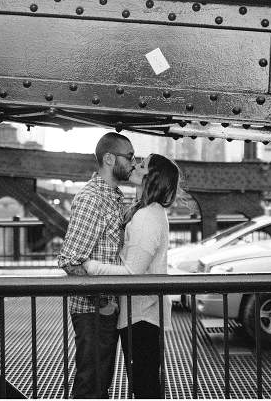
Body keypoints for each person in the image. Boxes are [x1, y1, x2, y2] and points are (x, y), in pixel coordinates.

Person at [82, 153, 181, 399]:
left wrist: (90, 265)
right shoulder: (148, 212)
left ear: (152, 177)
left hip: (141, 317)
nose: (135, 164)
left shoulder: (148, 217)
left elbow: (132, 273)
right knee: (145, 385)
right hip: (142, 314)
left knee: (145, 387)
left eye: (143, 164)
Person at [57, 132, 136, 398]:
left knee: (100, 381)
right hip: (93, 310)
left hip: (104, 308)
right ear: (110, 159)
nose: (134, 163)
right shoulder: (92, 199)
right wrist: (103, 302)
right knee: (91, 382)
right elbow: (70, 261)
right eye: (130, 156)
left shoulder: (113, 196)